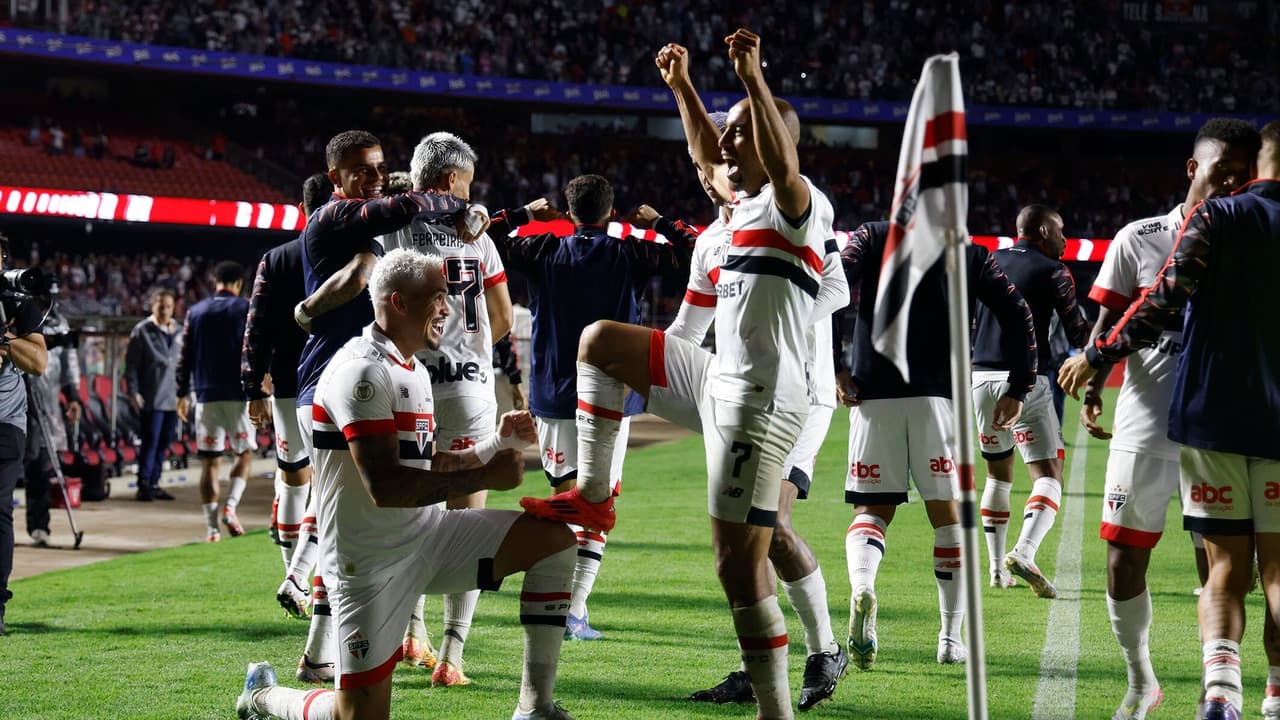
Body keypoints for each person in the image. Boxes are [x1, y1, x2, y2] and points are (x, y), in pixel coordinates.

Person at [520, 30, 841, 720]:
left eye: (740, 134)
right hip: (717, 377)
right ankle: (592, 498)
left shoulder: (799, 205)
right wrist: (683, 88)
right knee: (601, 342)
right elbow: (706, 154)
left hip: (763, 403)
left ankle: (777, 708)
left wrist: (752, 79)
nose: (723, 147)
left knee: (738, 565)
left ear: (774, 144)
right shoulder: (729, 220)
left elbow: (780, 165)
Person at [234, 248, 578, 720]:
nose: (447, 309)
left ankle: (535, 706)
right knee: (356, 715)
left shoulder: (411, 367)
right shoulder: (362, 372)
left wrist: (495, 444)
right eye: (436, 297)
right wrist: (486, 476)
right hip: (368, 565)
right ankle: (263, 697)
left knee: (554, 541)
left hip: (428, 537)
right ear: (398, 302)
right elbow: (386, 487)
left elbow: (425, 463)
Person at [1059, 122, 1280, 720]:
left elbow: (1163, 302)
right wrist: (1094, 382)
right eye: (1221, 171)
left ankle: (1222, 689)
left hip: (1215, 421)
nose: (1232, 182)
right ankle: (1142, 681)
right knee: (1124, 557)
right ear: (1192, 168)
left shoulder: (1237, 225)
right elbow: (1111, 318)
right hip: (1152, 421)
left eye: (1242, 172)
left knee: (1225, 566)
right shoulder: (1140, 236)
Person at [654, 70, 848, 708]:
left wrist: (774, 320)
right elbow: (687, 332)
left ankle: (822, 650)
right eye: (705, 159)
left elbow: (837, 288)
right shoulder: (712, 240)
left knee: (771, 529)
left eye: (725, 148)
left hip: (799, 393)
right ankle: (760, 660)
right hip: (737, 395)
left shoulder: (799, 210)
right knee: (746, 539)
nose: (711, 165)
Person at [287, 129, 484, 685]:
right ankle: (328, 642)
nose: (373, 178)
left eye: (379, 168)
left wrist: (476, 211)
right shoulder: (338, 216)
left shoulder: (367, 228)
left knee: (356, 522)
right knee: (350, 525)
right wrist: (307, 311)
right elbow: (396, 221)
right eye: (361, 170)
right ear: (335, 177)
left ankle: (322, 651)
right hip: (331, 386)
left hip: (356, 385)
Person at [485, 173, 693, 643]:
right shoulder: (631, 252)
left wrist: (524, 215)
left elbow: (485, 239)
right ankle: (574, 609)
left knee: (561, 499)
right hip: (611, 397)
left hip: (555, 395)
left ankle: (550, 600)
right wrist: (660, 222)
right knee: (598, 502)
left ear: (566, 211)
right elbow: (693, 252)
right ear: (612, 212)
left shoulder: (542, 250)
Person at [837, 218, 1036, 668]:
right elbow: (1017, 311)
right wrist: (1019, 386)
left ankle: (863, 587)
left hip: (873, 392)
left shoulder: (871, 236)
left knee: (871, 511)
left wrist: (836, 364)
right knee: (949, 519)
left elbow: (832, 285)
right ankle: (949, 638)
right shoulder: (968, 250)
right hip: (941, 397)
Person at [377, 131, 516, 684]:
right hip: (469, 393)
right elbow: (503, 317)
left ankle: (412, 633)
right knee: (468, 522)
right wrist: (471, 353)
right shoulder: (477, 237)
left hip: (410, 388)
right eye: (468, 182)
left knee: (411, 514)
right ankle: (452, 657)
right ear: (452, 178)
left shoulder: (395, 228)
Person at [971, 205, 1090, 596]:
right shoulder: (1054, 270)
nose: (1065, 240)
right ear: (1042, 231)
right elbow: (1078, 332)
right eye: (1061, 231)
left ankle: (995, 571)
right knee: (1049, 474)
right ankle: (1024, 551)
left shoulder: (988, 260)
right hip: (1027, 381)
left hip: (980, 376)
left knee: (997, 475)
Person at [243, 173, 328, 584]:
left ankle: (293, 576)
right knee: (333, 479)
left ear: (301, 209)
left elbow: (256, 327)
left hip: (289, 383)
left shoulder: (277, 259)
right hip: (341, 380)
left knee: (293, 478)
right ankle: (315, 579)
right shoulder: (355, 254)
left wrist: (252, 387)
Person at [176, 261, 257, 542]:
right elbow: (254, 348)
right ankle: (230, 508)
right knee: (244, 453)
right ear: (239, 283)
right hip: (238, 395)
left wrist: (181, 393)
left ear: (216, 282)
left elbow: (184, 355)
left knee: (210, 462)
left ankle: (211, 530)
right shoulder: (246, 308)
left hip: (205, 395)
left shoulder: (195, 311)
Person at [0, 231, 50, 635]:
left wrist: (4, 338)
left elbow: (38, 362)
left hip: (5, 423)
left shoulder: (17, 303)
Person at [25, 305, 81, 546]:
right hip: (15, 407)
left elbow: (70, 364)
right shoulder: (14, 313)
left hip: (45, 410)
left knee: (40, 471)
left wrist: (73, 397)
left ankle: (39, 526)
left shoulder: (59, 322)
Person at [124, 287, 182, 501]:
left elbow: (185, 365)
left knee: (164, 442)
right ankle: (144, 483)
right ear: (152, 306)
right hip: (152, 397)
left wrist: (188, 392)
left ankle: (155, 482)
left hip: (173, 398)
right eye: (161, 306)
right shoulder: (142, 331)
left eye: (168, 306)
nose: (164, 310)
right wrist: (133, 391)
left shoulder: (179, 331)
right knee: (150, 442)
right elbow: (131, 366)